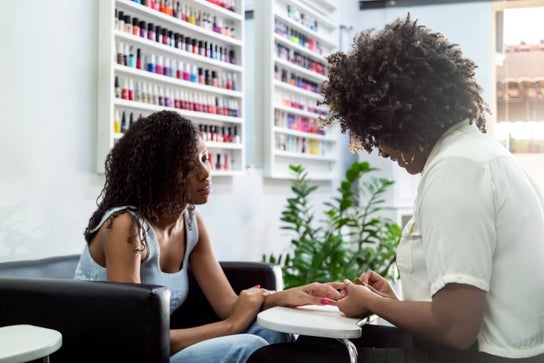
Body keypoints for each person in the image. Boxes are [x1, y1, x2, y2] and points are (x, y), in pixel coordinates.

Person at [247, 14, 544, 363]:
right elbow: (458, 308)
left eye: (380, 135)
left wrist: (372, 303)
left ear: (406, 119)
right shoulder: (479, 155)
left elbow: (457, 328)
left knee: (275, 359)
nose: (382, 150)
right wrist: (390, 303)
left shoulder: (456, 169)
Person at [74, 110, 343, 363]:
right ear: (159, 175)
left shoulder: (190, 223)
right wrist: (230, 327)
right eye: (188, 167)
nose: (205, 173)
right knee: (248, 346)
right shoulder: (124, 226)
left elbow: (227, 305)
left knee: (274, 332)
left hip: (157, 346)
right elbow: (134, 337)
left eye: (204, 158)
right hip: (119, 354)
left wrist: (286, 296)